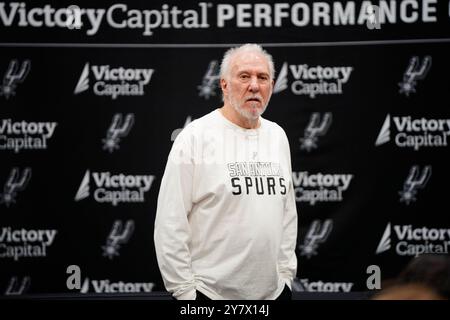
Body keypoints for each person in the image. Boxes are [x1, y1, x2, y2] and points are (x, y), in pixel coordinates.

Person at [154, 43, 298, 300]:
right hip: (210, 296)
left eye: (262, 77)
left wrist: (285, 276)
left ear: (272, 86)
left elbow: (287, 214)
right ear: (224, 85)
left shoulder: (277, 136)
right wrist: (186, 292)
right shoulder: (195, 137)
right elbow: (170, 222)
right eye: (244, 76)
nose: (254, 85)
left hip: (274, 295)